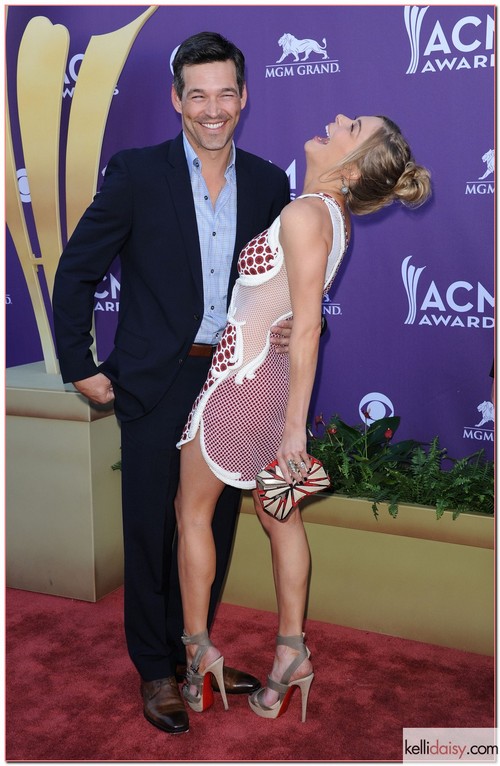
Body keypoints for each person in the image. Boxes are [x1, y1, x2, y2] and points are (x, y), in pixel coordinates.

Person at [52, 31, 292, 735]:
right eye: (197, 94)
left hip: (233, 379)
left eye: (225, 93)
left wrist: (281, 328)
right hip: (158, 378)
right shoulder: (135, 173)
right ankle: (155, 668)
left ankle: (197, 653)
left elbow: (280, 285)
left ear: (244, 98)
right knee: (152, 526)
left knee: (212, 524)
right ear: (175, 99)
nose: (212, 109)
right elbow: (77, 272)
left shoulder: (271, 183)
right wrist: (81, 364)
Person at [174, 114, 432, 721]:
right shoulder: (328, 215)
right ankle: (290, 655)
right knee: (277, 517)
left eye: (351, 126)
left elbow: (308, 325)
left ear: (351, 168)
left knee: (192, 513)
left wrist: (294, 431)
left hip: (242, 385)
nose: (336, 120)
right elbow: (300, 313)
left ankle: (197, 659)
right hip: (268, 380)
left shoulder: (305, 214)